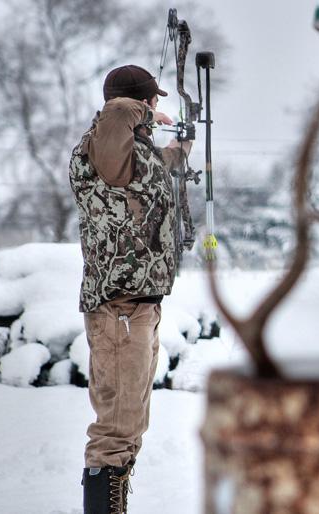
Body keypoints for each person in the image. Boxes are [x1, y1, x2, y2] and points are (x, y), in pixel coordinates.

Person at [69, 64, 190, 514]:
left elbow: (142, 182)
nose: (155, 109)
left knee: (130, 426)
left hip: (138, 308)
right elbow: (118, 112)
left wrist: (177, 149)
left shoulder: (126, 153)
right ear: (138, 102)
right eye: (151, 100)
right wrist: (138, 109)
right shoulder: (106, 140)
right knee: (115, 431)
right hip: (118, 308)